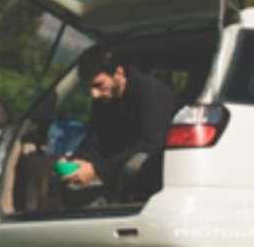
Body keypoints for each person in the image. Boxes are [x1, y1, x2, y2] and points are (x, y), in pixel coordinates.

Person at [63, 46, 176, 203]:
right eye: (89, 87)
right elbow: (94, 140)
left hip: (153, 174)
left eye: (98, 84)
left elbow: (151, 145)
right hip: (116, 168)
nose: (94, 94)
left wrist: (97, 170)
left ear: (119, 72)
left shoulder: (150, 92)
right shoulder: (104, 98)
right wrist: (76, 161)